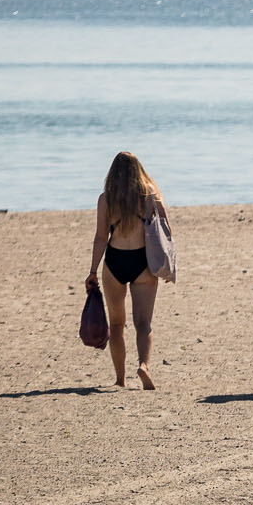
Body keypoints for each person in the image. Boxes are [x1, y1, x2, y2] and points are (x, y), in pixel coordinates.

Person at [84, 151, 169, 389]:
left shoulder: (106, 199)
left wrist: (92, 270)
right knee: (144, 323)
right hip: (143, 263)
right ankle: (144, 365)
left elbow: (101, 237)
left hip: (114, 263)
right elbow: (166, 230)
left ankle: (120, 379)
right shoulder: (150, 194)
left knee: (117, 323)